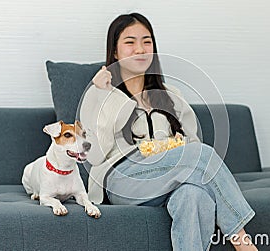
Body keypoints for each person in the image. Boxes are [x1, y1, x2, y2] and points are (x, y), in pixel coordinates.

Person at [79, 13, 258, 251]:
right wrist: (103, 94)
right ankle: (244, 243)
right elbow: (95, 156)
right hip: (124, 179)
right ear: (115, 52)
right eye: (130, 42)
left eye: (147, 41)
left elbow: (191, 144)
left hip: (168, 177)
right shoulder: (99, 94)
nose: (140, 49)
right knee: (201, 156)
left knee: (193, 195)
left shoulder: (171, 95)